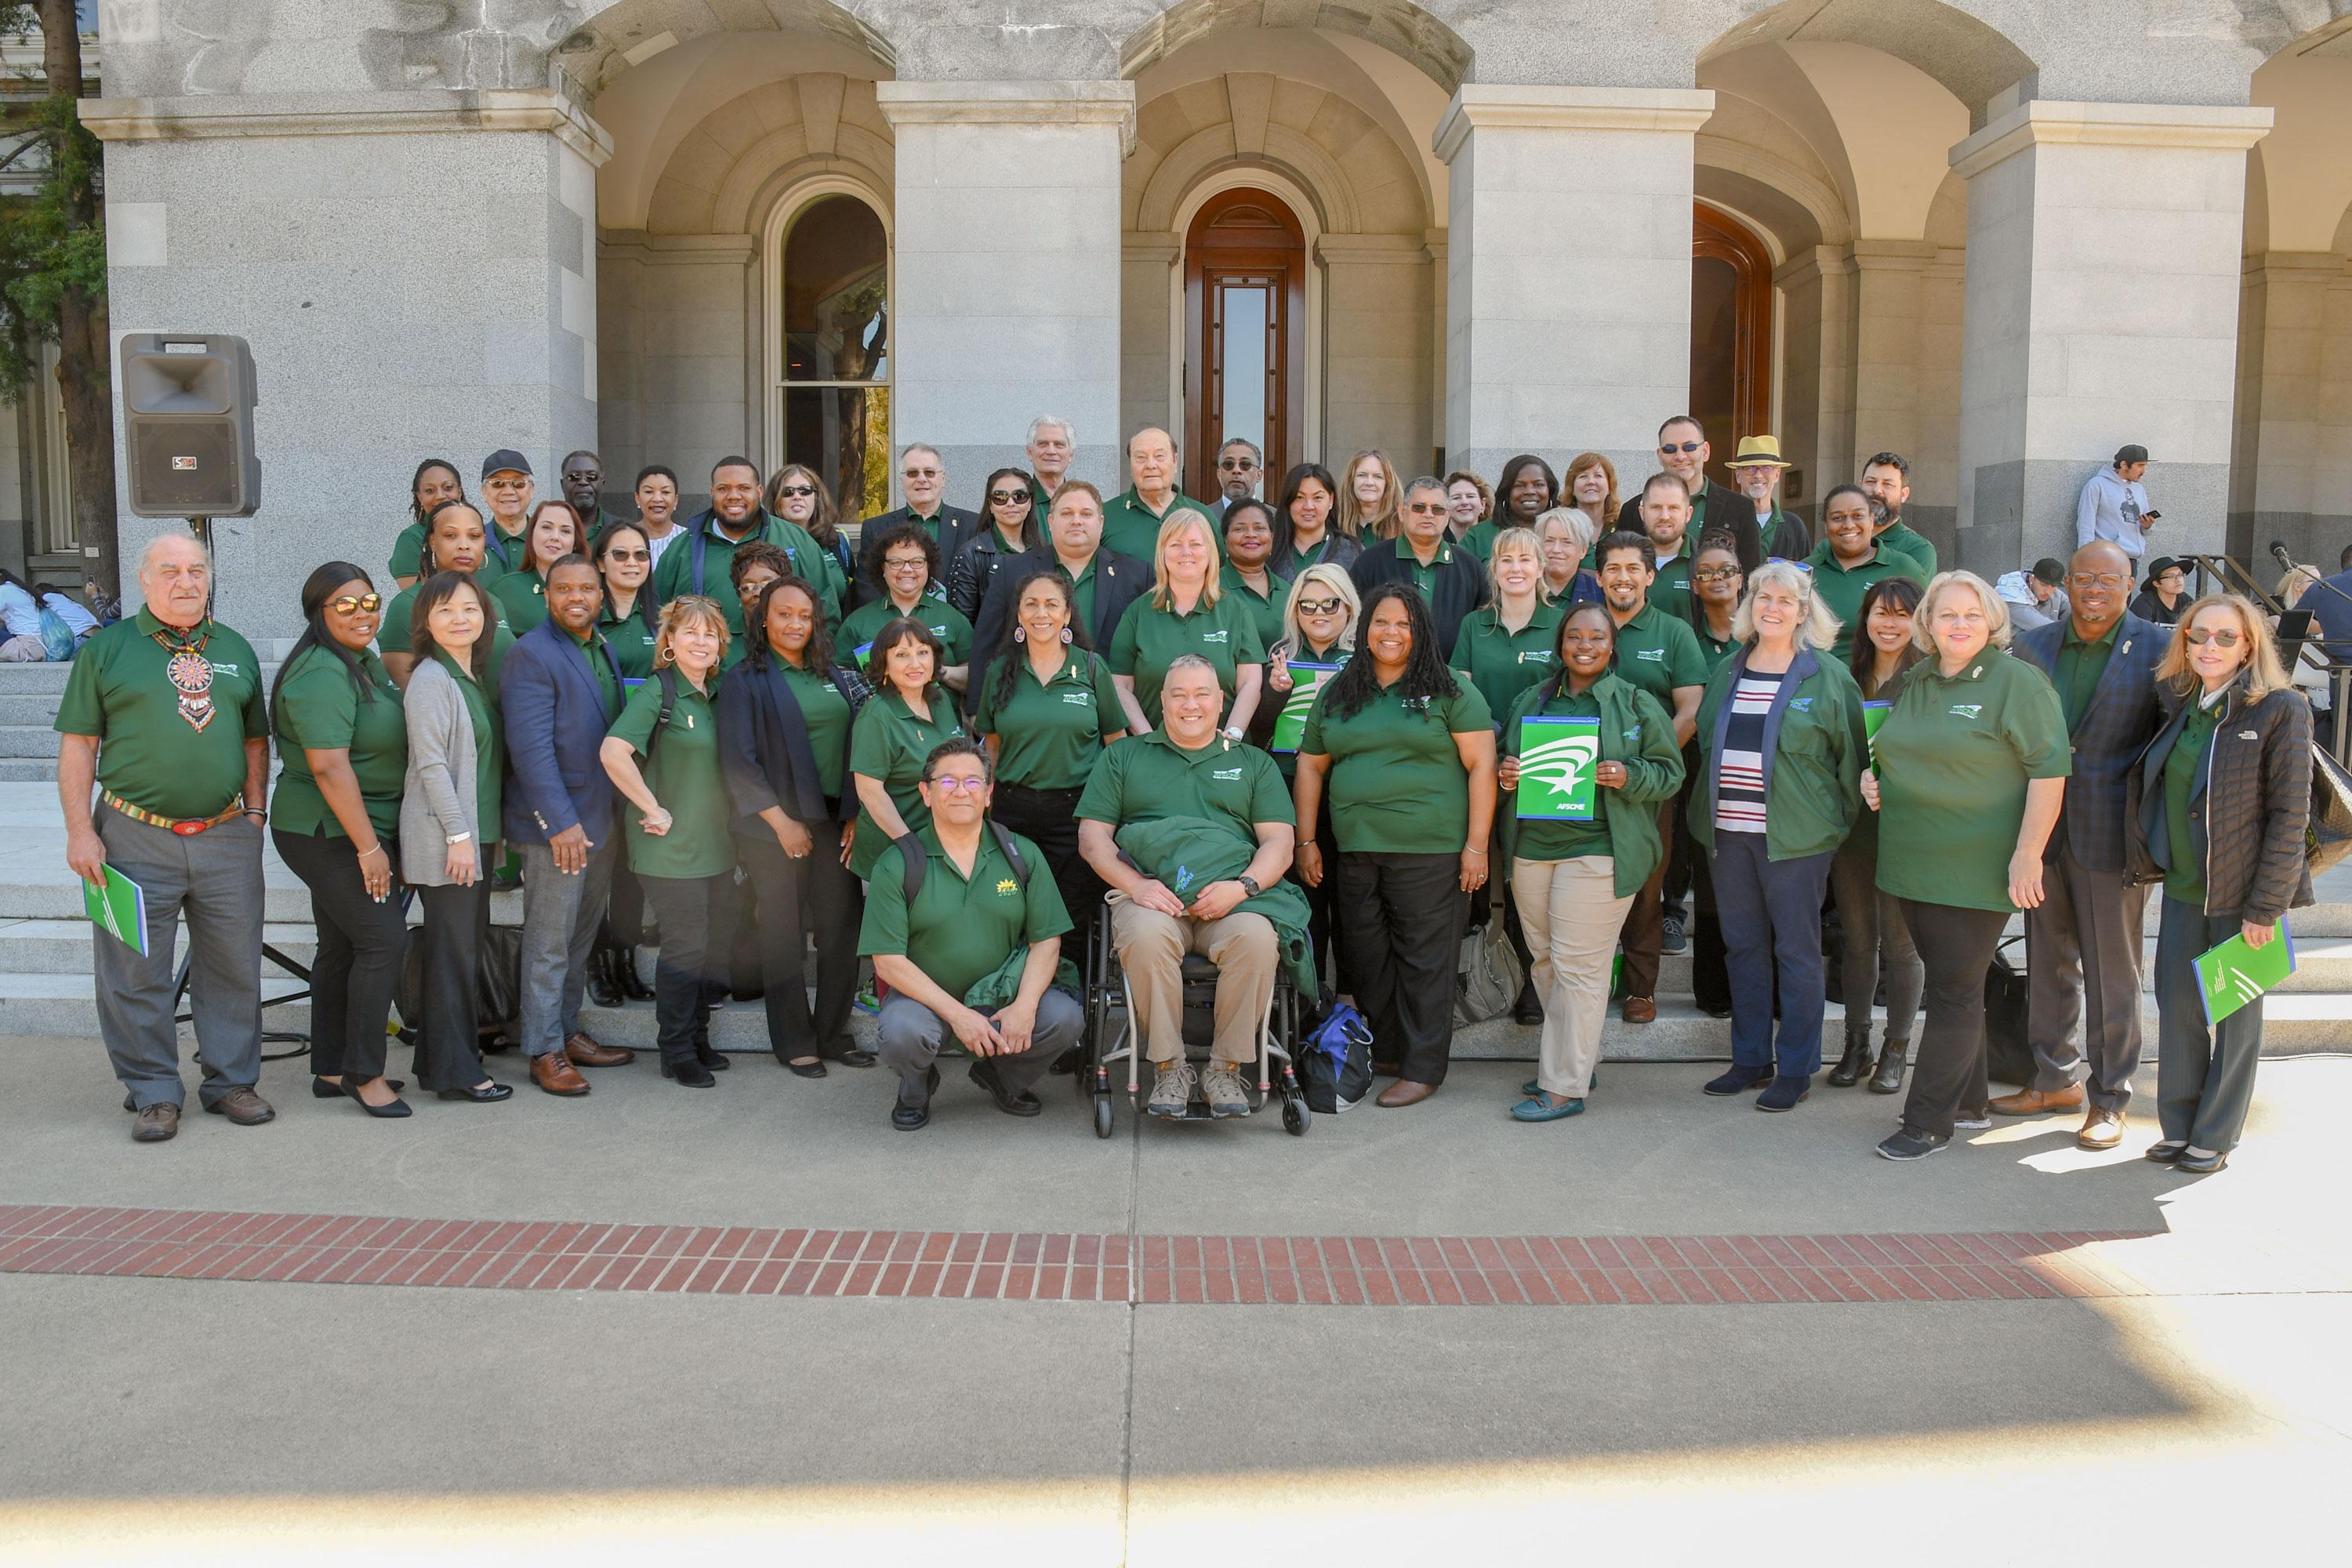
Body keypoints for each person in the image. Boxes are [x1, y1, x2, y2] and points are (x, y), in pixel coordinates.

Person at [55, 533, 274, 1142]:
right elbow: (79, 745)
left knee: (232, 966)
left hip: (226, 835)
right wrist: (80, 831)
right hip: (131, 835)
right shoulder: (108, 650)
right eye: (171, 571)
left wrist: (256, 813)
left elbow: (256, 739)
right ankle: (152, 1091)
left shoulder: (234, 648)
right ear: (145, 581)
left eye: (196, 570)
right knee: (134, 972)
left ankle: (230, 1082)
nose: (186, 581)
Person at [1860, 570, 2069, 1160]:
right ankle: (1970, 1101)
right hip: (1910, 862)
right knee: (1961, 986)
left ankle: (1928, 1122)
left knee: (1951, 993)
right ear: (1927, 623)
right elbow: (1897, 749)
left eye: (1971, 615)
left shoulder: (2016, 683)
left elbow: (2049, 774)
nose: (1958, 625)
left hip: (1975, 870)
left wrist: (2028, 855)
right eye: (1946, 614)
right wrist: (1873, 779)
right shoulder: (1917, 677)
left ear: (1992, 622)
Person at [1996, 541, 2172, 1146]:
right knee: (2048, 964)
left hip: (2113, 837)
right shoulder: (2034, 645)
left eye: (2108, 579)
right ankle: (2053, 1079)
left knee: (2113, 971)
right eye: (2083, 578)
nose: (2094, 589)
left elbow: (2174, 739)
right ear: (2064, 584)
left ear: (2128, 585)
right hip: (2042, 835)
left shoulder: (2158, 646)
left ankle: (2112, 1096)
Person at [1294, 584, 1496, 1106]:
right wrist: (1307, 839)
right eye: (1382, 622)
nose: (1391, 632)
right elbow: (1311, 766)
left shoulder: (1451, 691)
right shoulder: (1339, 691)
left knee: (1425, 961)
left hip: (1430, 851)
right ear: (1365, 631)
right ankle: (1385, 1050)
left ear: (1421, 631)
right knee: (1366, 957)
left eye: (1404, 623)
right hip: (1356, 848)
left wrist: (1476, 847)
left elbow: (1481, 768)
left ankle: (1423, 1068)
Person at [2132, 594, 2311, 1174]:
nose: (2208, 646)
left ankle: (2217, 1132)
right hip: (2186, 886)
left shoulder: (2281, 708)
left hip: (2244, 894)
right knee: (2179, 1008)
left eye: (2224, 637)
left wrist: (2268, 905)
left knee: (2235, 1018)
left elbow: (2291, 814)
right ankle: (2180, 1125)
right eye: (2197, 635)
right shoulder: (2182, 702)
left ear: (2250, 645)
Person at [1078, 656, 1296, 1117]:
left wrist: (1243, 887)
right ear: (1162, 702)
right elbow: (1093, 842)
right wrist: (1137, 887)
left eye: (1202, 694)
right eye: (1178, 695)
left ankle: (1225, 1068)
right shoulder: (1123, 756)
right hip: (1152, 897)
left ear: (1222, 702)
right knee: (1145, 936)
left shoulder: (1253, 763)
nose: (1190, 704)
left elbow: (1279, 843)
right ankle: (1170, 1068)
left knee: (1258, 940)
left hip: (1232, 901)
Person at [1689, 561, 1867, 1112]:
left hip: (1796, 842)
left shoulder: (1828, 677)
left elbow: (1852, 764)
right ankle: (1749, 1059)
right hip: (1729, 834)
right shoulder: (1729, 669)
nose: (1773, 608)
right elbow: (1705, 741)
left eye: (1786, 601)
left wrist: (1828, 828)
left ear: (1803, 612)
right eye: (1764, 597)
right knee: (1742, 947)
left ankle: (1795, 1066)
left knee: (1796, 951)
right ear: (1750, 606)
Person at [1497, 604, 1685, 1120]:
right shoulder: (1530, 700)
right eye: (1574, 635)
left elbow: (1670, 774)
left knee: (1579, 967)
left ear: (1611, 646)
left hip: (1601, 851)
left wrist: (1629, 777)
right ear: (1560, 643)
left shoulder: (1635, 703)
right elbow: (1501, 759)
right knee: (1544, 959)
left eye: (1596, 637)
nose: (1584, 644)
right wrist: (1505, 772)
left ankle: (1563, 1087)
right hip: (1531, 850)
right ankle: (1577, 1058)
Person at [860, 739, 1084, 1131]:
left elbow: (1046, 941)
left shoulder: (1022, 854)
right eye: (946, 782)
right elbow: (888, 961)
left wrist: (1026, 1005)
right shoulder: (898, 863)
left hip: (1002, 995)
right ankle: (915, 1086)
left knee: (1064, 1018)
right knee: (903, 1033)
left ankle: (1004, 1078)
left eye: (973, 782)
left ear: (988, 793)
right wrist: (959, 1016)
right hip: (926, 1002)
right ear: (926, 793)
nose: (961, 791)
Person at [270, 563, 410, 1117]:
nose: (364, 614)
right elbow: (329, 767)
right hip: (329, 831)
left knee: (342, 946)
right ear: (318, 613)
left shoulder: (361, 662)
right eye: (346, 605)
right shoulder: (322, 672)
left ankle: (331, 1066)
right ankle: (365, 1073)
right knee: (383, 941)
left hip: (353, 827)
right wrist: (369, 848)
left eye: (370, 602)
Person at [718, 575, 873, 1076]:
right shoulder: (746, 678)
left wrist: (853, 812)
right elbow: (738, 762)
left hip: (832, 820)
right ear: (763, 618)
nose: (794, 624)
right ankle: (793, 1038)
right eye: (784, 614)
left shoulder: (835, 673)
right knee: (782, 930)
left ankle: (831, 1032)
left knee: (841, 927)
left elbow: (857, 744)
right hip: (773, 827)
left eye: (804, 616)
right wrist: (782, 823)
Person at [500, 554, 637, 1096]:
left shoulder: (599, 646)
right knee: (549, 943)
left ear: (601, 595)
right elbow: (530, 750)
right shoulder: (531, 655)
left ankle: (567, 1029)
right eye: (564, 588)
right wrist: (558, 823)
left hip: (599, 821)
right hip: (558, 829)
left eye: (586, 588)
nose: (576, 597)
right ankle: (542, 1048)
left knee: (579, 937)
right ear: (546, 595)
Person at [601, 597, 738, 1087]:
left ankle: (698, 1037)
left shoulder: (720, 694)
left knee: (709, 946)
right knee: (685, 946)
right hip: (668, 848)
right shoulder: (658, 693)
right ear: (670, 643)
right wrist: (651, 806)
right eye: (690, 633)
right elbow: (613, 752)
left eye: (710, 634)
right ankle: (675, 1050)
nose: (701, 642)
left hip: (718, 848)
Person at [974, 569, 1127, 972]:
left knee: (1072, 919)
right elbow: (991, 746)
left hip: (1078, 814)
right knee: (1013, 912)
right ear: (1019, 616)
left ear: (1066, 615)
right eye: (1031, 604)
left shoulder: (1092, 670)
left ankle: (1070, 1011)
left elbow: (1117, 747)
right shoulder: (999, 671)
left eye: (1051, 604)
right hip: (1013, 813)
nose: (1041, 613)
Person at [397, 572, 512, 1105]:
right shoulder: (430, 680)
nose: (459, 618)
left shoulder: (469, 677)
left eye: (469, 608)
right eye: (445, 610)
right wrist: (460, 836)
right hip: (449, 842)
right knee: (453, 957)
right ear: (425, 621)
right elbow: (432, 767)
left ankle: (439, 1062)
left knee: (460, 952)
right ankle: (459, 1073)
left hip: (476, 839)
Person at [1450, 527, 1566, 1025]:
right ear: (1492, 570)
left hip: (1539, 766)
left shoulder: (1561, 624)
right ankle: (1473, 974)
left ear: (1542, 567)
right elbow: (1462, 693)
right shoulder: (1476, 627)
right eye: (1505, 560)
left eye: (1526, 559)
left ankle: (1530, 986)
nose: (1515, 568)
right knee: (1471, 872)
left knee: (1525, 879)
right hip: (1479, 764)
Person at [1593, 528, 1709, 1022]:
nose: (1623, 578)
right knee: (1587, 883)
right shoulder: (1581, 626)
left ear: (1650, 575)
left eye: (1633, 568)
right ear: (1598, 577)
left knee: (1645, 883)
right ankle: (1591, 985)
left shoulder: (1673, 633)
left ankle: (1641, 989)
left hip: (1647, 788)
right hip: (1584, 783)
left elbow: (1690, 710)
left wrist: (1647, 771)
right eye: (1613, 568)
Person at [1829, 575, 1926, 1092]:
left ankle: (1896, 1049)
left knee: (1901, 946)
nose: (1890, 624)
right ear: (1866, 619)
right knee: (1857, 941)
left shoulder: (1930, 677)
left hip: (1907, 829)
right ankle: (1857, 1043)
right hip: (1853, 829)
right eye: (1881, 613)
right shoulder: (1846, 673)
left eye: (1902, 614)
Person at [1257, 565, 1361, 995]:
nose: (1319, 612)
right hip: (1287, 790)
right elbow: (1257, 733)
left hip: (1349, 793)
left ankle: (1351, 1007)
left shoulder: (1367, 655)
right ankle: (1308, 1000)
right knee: (1306, 901)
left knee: (1353, 905)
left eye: (1329, 603)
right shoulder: (1280, 653)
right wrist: (1275, 692)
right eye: (1308, 605)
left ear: (1348, 606)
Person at [971, 481, 1148, 690]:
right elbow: (986, 645)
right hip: (1031, 700)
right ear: (1051, 521)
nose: (1076, 521)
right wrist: (976, 710)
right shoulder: (1012, 570)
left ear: (1101, 522)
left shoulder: (1136, 575)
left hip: (1110, 706)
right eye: (1066, 513)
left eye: (1086, 514)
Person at [655, 455, 844, 643]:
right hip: (704, 666)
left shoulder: (797, 540)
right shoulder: (681, 549)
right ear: (712, 492)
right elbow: (656, 614)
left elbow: (826, 611)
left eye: (744, 488)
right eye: (723, 489)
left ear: (759, 491)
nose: (734, 496)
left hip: (779, 668)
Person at [1111, 510, 1265, 733]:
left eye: (1195, 544)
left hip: (1223, 753)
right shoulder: (1138, 612)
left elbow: (1250, 683)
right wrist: (1147, 741)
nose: (1186, 552)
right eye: (1175, 545)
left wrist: (1233, 735)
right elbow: (1121, 686)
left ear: (1210, 551)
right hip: (1153, 752)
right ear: (1162, 552)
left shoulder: (1235, 611)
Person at [847, 618, 967, 882]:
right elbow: (870, 792)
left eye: (923, 653)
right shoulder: (876, 716)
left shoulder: (941, 700)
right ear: (884, 664)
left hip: (940, 847)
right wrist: (909, 845)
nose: (915, 664)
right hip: (894, 852)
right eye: (902, 655)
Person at [1682, 532, 1746, 1017]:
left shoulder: (1764, 635)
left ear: (1741, 579)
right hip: (1696, 766)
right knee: (1709, 879)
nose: (1717, 579)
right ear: (1695, 585)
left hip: (1755, 772)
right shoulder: (1687, 639)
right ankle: (1714, 990)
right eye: (1706, 572)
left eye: (1726, 570)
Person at [1349, 475, 1490, 655]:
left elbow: (1483, 629)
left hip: (1450, 677)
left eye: (1437, 509)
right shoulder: (1370, 561)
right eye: (1419, 507)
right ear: (1402, 512)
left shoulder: (1471, 567)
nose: (1428, 514)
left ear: (1447, 516)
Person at [379, 501, 515, 687]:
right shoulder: (407, 605)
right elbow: (409, 693)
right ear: (433, 542)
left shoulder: (493, 602)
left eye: (474, 536)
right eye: (451, 535)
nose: (464, 546)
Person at [840, 524, 975, 691]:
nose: (907, 569)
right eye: (896, 562)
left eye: (917, 562)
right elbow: (837, 678)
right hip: (879, 716)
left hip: (940, 716)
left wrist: (939, 672)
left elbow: (976, 678)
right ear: (883, 568)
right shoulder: (858, 621)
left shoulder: (953, 618)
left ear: (928, 566)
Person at [1619, 417, 1757, 573]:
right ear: (1659, 455)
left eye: (1689, 447)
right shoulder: (1632, 510)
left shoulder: (1740, 508)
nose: (1680, 456)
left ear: (1705, 451)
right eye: (1670, 449)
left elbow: (1749, 576)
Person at [1806, 484, 1925, 659]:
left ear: (1871, 519)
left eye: (1857, 516)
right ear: (1825, 525)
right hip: (1815, 683)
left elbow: (1926, 631)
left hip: (1879, 683)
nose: (1848, 525)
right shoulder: (1804, 572)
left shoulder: (1903, 567)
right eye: (1837, 518)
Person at [859, 443, 981, 586]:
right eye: (912, 473)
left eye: (929, 472)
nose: (922, 479)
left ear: (943, 479)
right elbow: (867, 587)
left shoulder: (973, 525)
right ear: (902, 480)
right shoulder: (875, 529)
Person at [1102, 426, 1218, 562]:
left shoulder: (1202, 514)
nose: (1151, 465)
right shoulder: (1106, 516)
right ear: (1130, 464)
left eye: (1159, 456)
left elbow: (1218, 568)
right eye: (1141, 457)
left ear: (1175, 461)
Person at [946, 466, 1042, 621]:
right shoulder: (970, 555)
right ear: (990, 505)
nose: (1010, 503)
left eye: (1019, 496)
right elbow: (963, 625)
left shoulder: (1042, 551)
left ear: (1030, 503)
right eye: (1000, 497)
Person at [489, 499, 586, 636]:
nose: (555, 537)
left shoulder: (590, 591)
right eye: (546, 528)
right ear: (532, 533)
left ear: (575, 542)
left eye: (565, 531)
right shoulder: (505, 589)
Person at [768, 463, 858, 603]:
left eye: (805, 490)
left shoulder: (838, 540)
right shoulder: (764, 540)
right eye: (788, 492)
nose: (797, 497)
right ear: (776, 501)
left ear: (817, 497)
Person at [1218, 498, 1290, 653]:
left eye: (1259, 528)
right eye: (1240, 529)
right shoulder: (1212, 587)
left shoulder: (1288, 591)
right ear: (1225, 538)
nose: (1251, 535)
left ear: (1272, 537)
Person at [592, 521, 660, 680]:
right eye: (620, 554)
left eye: (640, 555)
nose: (632, 562)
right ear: (601, 564)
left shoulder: (664, 620)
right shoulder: (585, 618)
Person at [1728, 435, 1812, 561]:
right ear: (1738, 476)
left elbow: (1805, 576)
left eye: (1766, 468)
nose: (1758, 475)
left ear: (1777, 474)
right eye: (1750, 468)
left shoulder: (1795, 526)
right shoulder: (1724, 522)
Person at [387, 457, 466, 588]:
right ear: (420, 497)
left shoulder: (478, 533)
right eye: (430, 490)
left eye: (447, 487)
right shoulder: (411, 539)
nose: (440, 495)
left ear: (459, 491)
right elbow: (416, 599)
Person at [1269, 461, 1358, 577]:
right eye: (1299, 497)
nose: (1309, 506)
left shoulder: (1351, 551)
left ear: (1331, 500)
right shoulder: (1270, 548)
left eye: (1317, 498)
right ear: (1288, 501)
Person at [1859, 452, 1938, 579]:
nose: (1877, 490)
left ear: (1904, 495)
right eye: (1871, 481)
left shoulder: (1918, 550)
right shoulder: (1840, 541)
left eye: (1887, 484)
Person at [1632, 472, 1699, 619]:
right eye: (1656, 507)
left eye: (1673, 508)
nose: (1664, 516)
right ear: (1642, 513)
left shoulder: (1703, 563)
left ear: (1688, 513)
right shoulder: (1626, 562)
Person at [2076, 444, 2155, 565]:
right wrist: (2086, 558)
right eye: (2140, 465)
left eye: (2145, 466)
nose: (2143, 471)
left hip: (2131, 559)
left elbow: (2147, 531)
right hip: (2105, 558)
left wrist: (2147, 526)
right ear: (2124, 465)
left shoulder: (2139, 489)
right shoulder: (2097, 485)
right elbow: (2086, 523)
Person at [477, 449, 535, 583]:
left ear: (532, 490)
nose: (508, 491)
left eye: (518, 483)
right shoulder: (473, 543)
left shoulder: (548, 541)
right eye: (498, 483)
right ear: (484, 492)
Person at [1535, 509, 1602, 607]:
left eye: (1567, 542)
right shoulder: (1526, 588)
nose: (1556, 549)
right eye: (1549, 541)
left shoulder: (1599, 592)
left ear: (1583, 551)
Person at [1023, 414, 1076, 530]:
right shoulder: (1019, 501)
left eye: (1059, 445)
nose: (1051, 451)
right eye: (1043, 444)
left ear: (1071, 454)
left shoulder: (1083, 502)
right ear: (1030, 452)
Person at [1338, 448, 1403, 542]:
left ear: (1388, 484)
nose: (1369, 482)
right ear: (1351, 481)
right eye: (1362, 475)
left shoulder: (1402, 526)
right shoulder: (1336, 522)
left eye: (1378, 476)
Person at [632, 464, 686, 570]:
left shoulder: (688, 539)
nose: (657, 499)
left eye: (665, 492)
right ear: (637, 498)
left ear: (675, 500)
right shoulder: (623, 537)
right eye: (649, 492)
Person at [1997, 557, 2071, 631]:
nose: (2048, 592)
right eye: (2043, 584)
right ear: (2031, 578)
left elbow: (2075, 611)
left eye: (2053, 586)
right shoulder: (2011, 596)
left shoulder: (2057, 594)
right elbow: (2043, 627)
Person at [1494, 454, 1559, 533]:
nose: (1530, 492)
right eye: (1519, 485)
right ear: (1507, 492)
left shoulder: (1567, 532)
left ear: (1550, 490)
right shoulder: (1479, 536)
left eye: (1538, 485)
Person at [1563, 452, 1619, 544]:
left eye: (1598, 476)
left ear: (1609, 487)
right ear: (1572, 488)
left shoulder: (1622, 527)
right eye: (1583, 476)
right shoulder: (1560, 527)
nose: (1591, 482)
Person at [560, 449, 617, 538]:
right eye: (574, 476)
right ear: (562, 485)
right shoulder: (543, 531)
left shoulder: (620, 530)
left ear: (603, 484)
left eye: (592, 477)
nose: (583, 482)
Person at [0, 568, 49, 660]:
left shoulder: (3, 591)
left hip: (28, 646)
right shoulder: (20, 589)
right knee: (6, 627)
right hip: (41, 643)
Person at [1446, 470, 1495, 558]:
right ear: (1445, 505)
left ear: (1483, 504)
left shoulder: (1495, 538)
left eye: (1470, 496)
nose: (1464, 502)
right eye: (1456, 497)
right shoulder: (1435, 540)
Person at [2131, 556, 2190, 626]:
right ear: (2156, 583)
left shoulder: (2186, 600)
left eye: (2180, 575)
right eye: (2170, 576)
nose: (2178, 580)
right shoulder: (2144, 603)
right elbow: (2141, 632)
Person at [1217, 437, 1265, 503]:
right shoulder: (1204, 514)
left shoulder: (1274, 514)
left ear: (1259, 475)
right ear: (1219, 474)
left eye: (1245, 464)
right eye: (1228, 464)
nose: (1236, 470)